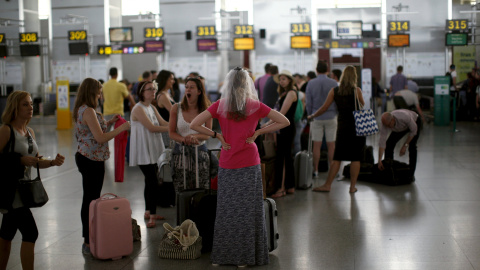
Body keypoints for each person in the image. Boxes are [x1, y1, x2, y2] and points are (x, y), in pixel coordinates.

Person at [190, 67, 289, 267]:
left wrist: (216, 135)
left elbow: (194, 124)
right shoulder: (254, 105)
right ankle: (245, 256)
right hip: (250, 162)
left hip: (227, 162)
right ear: (246, 85)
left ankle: (225, 255)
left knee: (226, 210)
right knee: (248, 210)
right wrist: (259, 132)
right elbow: (284, 121)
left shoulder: (221, 105)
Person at [0, 91, 65, 270]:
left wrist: (52, 162)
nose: (31, 108)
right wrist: (18, 161)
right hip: (11, 191)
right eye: (25, 105)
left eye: (31, 104)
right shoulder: (6, 131)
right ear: (15, 107)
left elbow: (34, 161)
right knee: (31, 233)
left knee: (6, 236)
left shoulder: (30, 132)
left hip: (24, 191)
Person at [73, 78, 130, 255]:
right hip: (91, 159)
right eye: (98, 91)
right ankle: (87, 241)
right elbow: (100, 138)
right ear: (92, 92)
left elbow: (94, 130)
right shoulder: (89, 110)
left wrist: (111, 122)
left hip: (88, 156)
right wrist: (122, 128)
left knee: (90, 198)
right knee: (90, 199)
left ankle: (89, 238)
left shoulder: (82, 109)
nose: (100, 95)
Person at [308, 66, 366, 193]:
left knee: (337, 157)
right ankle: (352, 187)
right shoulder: (357, 91)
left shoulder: (335, 91)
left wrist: (313, 115)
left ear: (342, 76)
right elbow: (362, 104)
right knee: (355, 158)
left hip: (343, 127)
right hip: (357, 127)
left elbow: (324, 108)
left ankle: (327, 185)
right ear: (354, 77)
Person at [129, 80, 169, 228]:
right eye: (149, 89)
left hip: (152, 149)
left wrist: (176, 124)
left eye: (154, 89)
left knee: (149, 180)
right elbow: (152, 128)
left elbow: (163, 122)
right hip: (143, 151)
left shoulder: (151, 107)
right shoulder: (138, 109)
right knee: (152, 182)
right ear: (141, 92)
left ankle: (148, 211)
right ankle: (152, 215)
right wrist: (172, 130)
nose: (153, 92)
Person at [169, 77, 212, 193]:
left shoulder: (207, 110)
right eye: (186, 87)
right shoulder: (176, 108)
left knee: (201, 187)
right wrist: (184, 139)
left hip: (200, 153)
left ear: (199, 92)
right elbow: (171, 132)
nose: (188, 89)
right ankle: (184, 211)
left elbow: (208, 134)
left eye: (192, 87)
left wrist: (195, 137)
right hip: (180, 154)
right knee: (182, 188)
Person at [264, 70, 298, 198]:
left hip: (286, 128)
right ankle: (290, 186)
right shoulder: (285, 93)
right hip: (285, 127)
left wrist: (267, 125)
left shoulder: (290, 93)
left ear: (290, 80)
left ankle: (281, 188)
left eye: (284, 79)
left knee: (282, 157)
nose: (282, 81)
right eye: (281, 79)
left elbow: (281, 113)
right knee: (287, 157)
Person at [306, 60, 338, 177]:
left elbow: (309, 102)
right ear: (327, 70)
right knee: (331, 145)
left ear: (316, 70)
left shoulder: (311, 83)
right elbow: (337, 100)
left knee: (317, 145)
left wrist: (310, 114)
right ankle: (332, 170)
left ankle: (316, 170)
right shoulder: (334, 83)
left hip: (316, 117)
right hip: (331, 116)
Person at [378, 109, 421, 179]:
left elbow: (413, 131)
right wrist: (379, 160)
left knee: (412, 147)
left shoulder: (404, 117)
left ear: (392, 120)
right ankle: (389, 169)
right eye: (386, 126)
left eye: (388, 125)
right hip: (400, 127)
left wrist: (405, 145)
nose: (387, 128)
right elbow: (382, 142)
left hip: (414, 122)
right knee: (389, 144)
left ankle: (411, 173)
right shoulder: (385, 123)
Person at [155, 70, 176, 146]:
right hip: (166, 130)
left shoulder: (168, 94)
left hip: (170, 128)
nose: (173, 81)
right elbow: (174, 112)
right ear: (165, 80)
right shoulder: (163, 96)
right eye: (171, 79)